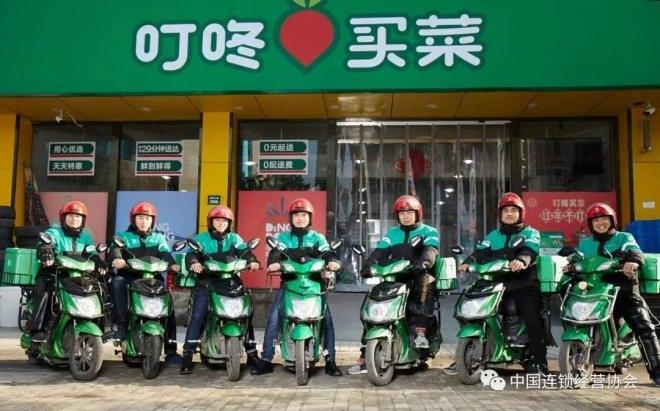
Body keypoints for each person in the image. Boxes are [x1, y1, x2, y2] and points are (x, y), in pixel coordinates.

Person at [568, 203, 660, 385]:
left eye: (604, 219)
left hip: (622, 290)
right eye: (596, 220)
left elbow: (635, 251)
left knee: (643, 325)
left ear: (612, 220)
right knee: (575, 316)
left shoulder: (624, 237)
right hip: (595, 292)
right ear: (590, 224)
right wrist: (570, 265)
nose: (600, 223)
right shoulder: (585, 243)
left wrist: (632, 261)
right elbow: (577, 259)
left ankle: (657, 370)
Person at [457, 192, 548, 376]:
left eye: (514, 210)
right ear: (500, 214)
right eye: (506, 210)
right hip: (496, 284)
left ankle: (540, 362)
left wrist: (521, 261)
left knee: (532, 318)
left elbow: (530, 251)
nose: (510, 214)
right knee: (471, 309)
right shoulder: (493, 235)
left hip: (523, 284)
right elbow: (480, 252)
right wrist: (467, 263)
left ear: (521, 213)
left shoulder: (530, 233)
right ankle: (469, 351)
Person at [347, 195, 440, 375]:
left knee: (425, 283)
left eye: (409, 212)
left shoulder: (429, 231)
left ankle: (420, 333)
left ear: (418, 213)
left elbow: (431, 250)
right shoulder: (392, 234)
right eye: (402, 213)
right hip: (397, 278)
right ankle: (366, 354)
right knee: (375, 298)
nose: (406, 216)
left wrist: (425, 262)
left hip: (419, 276)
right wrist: (368, 265)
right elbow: (380, 252)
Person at [251, 198, 342, 377]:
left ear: (310, 218)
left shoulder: (317, 237)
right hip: (289, 284)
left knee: (326, 320)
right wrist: (273, 263)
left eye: (304, 215)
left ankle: (330, 360)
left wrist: (333, 261)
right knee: (273, 318)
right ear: (291, 218)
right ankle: (266, 359)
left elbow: (327, 252)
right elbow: (276, 253)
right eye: (297, 215)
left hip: (314, 286)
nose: (300, 219)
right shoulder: (283, 238)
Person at [180, 205, 261, 374]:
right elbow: (191, 255)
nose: (221, 223)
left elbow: (245, 252)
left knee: (245, 314)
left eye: (224, 221)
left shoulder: (234, 238)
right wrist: (194, 263)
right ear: (211, 222)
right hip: (206, 283)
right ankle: (187, 354)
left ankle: (252, 352)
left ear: (229, 223)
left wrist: (252, 261)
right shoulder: (201, 239)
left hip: (230, 282)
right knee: (197, 315)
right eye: (217, 220)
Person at [108, 201, 182, 365]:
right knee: (117, 283)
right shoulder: (123, 236)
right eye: (140, 218)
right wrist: (117, 259)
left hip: (153, 278)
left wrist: (173, 264)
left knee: (168, 308)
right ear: (133, 219)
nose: (144, 221)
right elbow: (115, 250)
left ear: (152, 221)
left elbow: (165, 254)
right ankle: (122, 326)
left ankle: (171, 351)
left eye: (147, 218)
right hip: (130, 276)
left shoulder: (158, 238)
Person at [28, 200, 105, 341]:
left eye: (78, 217)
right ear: (63, 218)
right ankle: (38, 330)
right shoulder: (54, 232)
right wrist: (46, 252)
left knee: (99, 290)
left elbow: (92, 253)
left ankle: (100, 327)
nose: (74, 219)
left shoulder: (86, 237)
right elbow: (45, 243)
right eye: (70, 216)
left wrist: (100, 263)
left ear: (83, 220)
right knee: (45, 291)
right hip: (53, 273)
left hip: (77, 276)